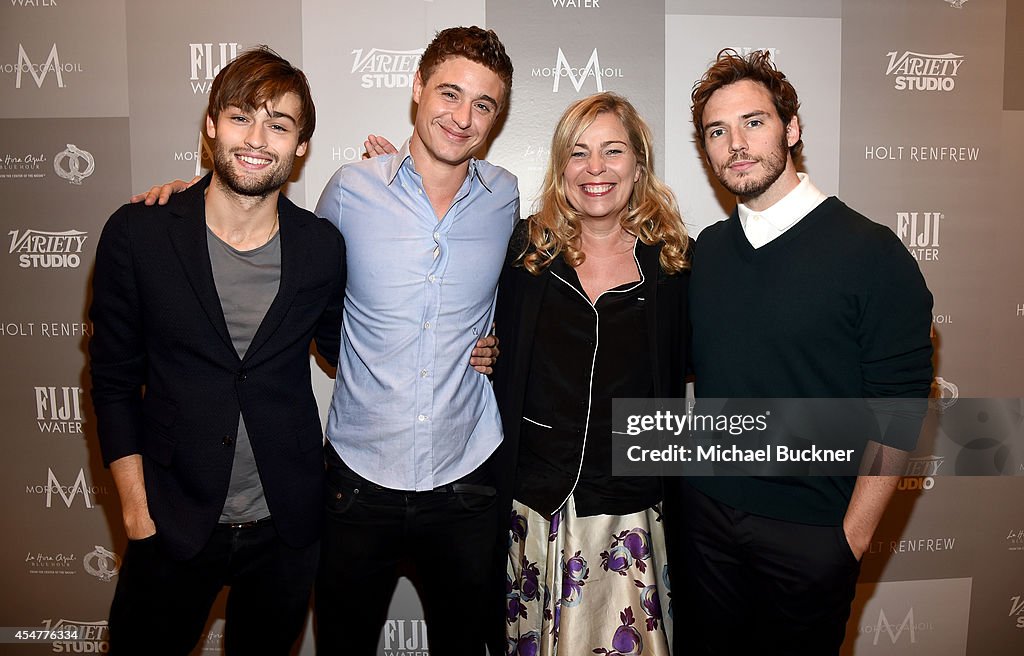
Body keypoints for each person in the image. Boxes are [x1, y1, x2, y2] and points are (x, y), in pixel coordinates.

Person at [668, 49, 934, 655]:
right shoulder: (705, 252)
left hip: (812, 534)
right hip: (703, 524)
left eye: (753, 122)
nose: (735, 143)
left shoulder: (871, 254)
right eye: (717, 131)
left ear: (792, 128)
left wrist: (850, 540)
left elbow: (900, 407)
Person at [89, 46, 344, 655]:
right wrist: (135, 511)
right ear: (210, 127)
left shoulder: (322, 247)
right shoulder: (138, 233)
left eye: (279, 124)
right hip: (170, 520)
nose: (258, 138)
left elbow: (346, 348)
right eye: (240, 117)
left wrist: (471, 346)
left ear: (301, 146)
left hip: (287, 526)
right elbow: (112, 380)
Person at [311, 26, 518, 655]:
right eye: (449, 94)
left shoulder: (505, 197)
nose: (462, 117)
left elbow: (530, 297)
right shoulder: (350, 189)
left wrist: (498, 344)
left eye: (483, 105)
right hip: (358, 483)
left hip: (469, 479)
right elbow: (294, 273)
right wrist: (188, 195)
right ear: (417, 89)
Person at [493, 92, 690, 655]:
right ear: (561, 167)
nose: (596, 169)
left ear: (638, 164)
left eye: (612, 151)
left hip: (632, 511)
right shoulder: (526, 251)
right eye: (579, 154)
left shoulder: (675, 263)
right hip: (537, 506)